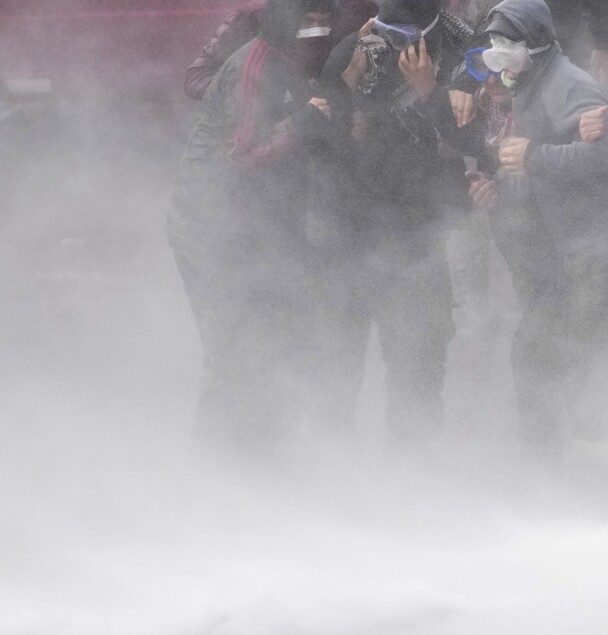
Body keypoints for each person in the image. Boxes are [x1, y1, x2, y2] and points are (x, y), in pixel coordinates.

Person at [466, 0, 608, 458]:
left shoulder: (566, 84)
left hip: (591, 255)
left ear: (536, 42)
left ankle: (572, 464)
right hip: (555, 254)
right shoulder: (525, 81)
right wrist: (498, 191)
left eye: (509, 42)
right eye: (494, 42)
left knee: (545, 355)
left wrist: (535, 157)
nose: (499, 52)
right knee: (564, 358)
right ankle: (569, 463)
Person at [168, 0, 338, 457]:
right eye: (309, 18)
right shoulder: (256, 64)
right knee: (231, 348)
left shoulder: (295, 59)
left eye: (325, 18)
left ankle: (264, 456)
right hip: (210, 225)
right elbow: (244, 155)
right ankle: (214, 468)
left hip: (253, 225)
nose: (318, 29)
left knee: (274, 337)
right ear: (285, 17)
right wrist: (304, 122)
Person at [313, 0, 474, 448]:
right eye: (387, 33)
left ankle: (412, 485)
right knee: (336, 371)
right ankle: (329, 476)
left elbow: (474, 140)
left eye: (407, 36)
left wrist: (431, 94)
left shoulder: (458, 57)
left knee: (417, 376)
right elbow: (320, 149)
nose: (395, 47)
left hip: (414, 250)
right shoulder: (351, 53)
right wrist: (345, 88)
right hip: (351, 245)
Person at [184, 0, 377, 101]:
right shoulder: (256, 16)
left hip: (333, 125)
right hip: (267, 133)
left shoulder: (357, 12)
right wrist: (245, 97)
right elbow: (198, 76)